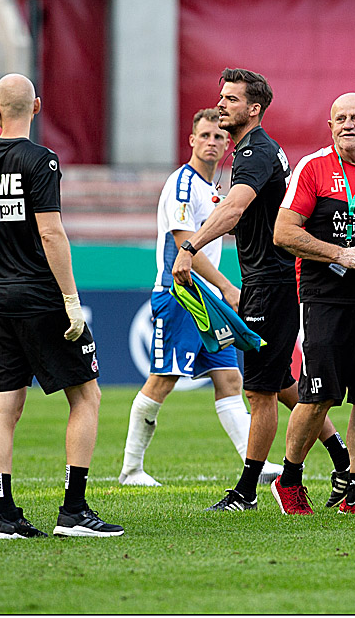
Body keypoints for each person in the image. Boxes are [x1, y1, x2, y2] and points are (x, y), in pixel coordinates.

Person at [172, 68, 348, 512]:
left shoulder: (254, 151)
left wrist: (190, 247)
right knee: (279, 380)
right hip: (268, 279)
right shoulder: (259, 150)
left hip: (271, 281)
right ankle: (341, 455)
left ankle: (247, 491)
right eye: (221, 96)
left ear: (254, 108)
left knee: (260, 392)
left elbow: (235, 208)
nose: (221, 105)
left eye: (230, 99)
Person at [0, 73, 123, 538]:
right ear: (36, 106)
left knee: (4, 408)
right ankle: (73, 510)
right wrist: (71, 301)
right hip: (40, 296)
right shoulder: (42, 160)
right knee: (86, 396)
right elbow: (50, 231)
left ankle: (6, 516)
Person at [118, 109, 283, 488]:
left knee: (229, 378)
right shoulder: (182, 185)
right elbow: (183, 247)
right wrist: (227, 286)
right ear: (191, 140)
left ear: (228, 143)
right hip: (181, 296)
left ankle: (252, 465)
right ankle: (131, 469)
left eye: (218, 137)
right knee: (164, 378)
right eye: (205, 135)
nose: (212, 142)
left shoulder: (213, 189)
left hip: (207, 300)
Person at [270, 93, 355, 514]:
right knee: (318, 396)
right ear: (329, 127)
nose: (347, 124)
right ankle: (288, 480)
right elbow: (283, 233)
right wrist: (340, 253)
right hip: (324, 300)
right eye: (339, 118)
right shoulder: (313, 167)